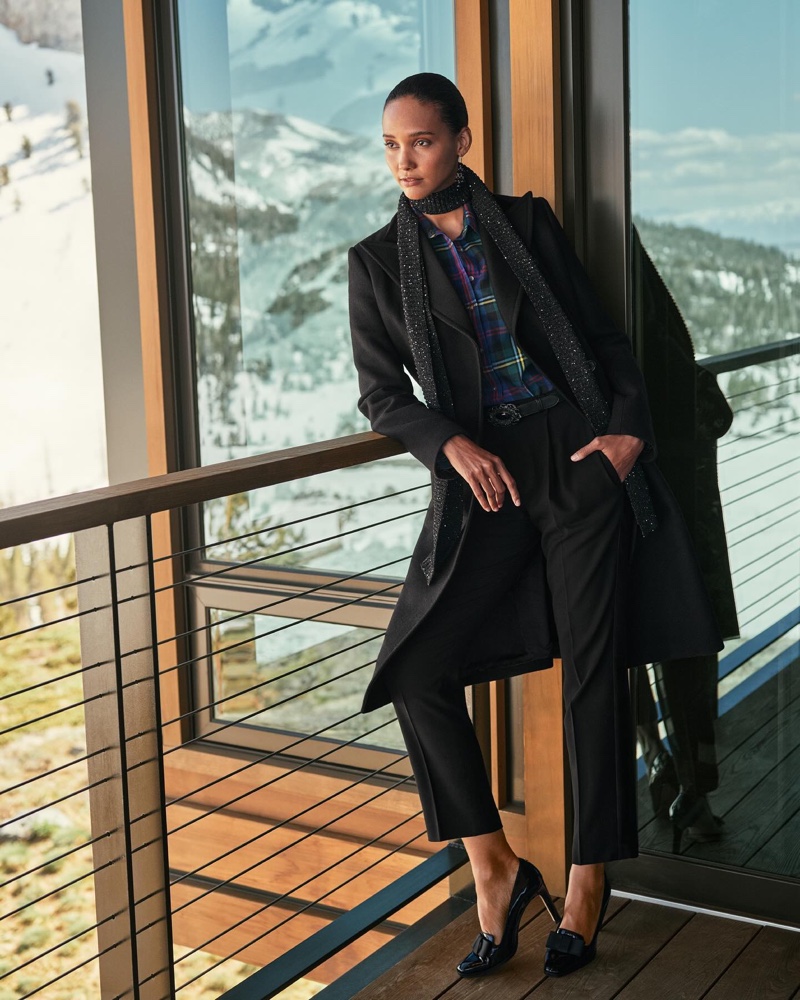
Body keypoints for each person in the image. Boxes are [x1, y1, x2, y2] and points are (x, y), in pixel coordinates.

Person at [347, 73, 723, 979]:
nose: (406, 160)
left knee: (595, 669)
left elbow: (605, 340)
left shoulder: (525, 223)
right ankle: (495, 864)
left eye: (424, 141)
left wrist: (628, 429)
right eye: (393, 145)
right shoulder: (372, 263)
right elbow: (382, 395)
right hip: (485, 474)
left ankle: (590, 879)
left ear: (462, 142)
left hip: (578, 457)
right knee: (417, 666)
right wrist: (448, 446)